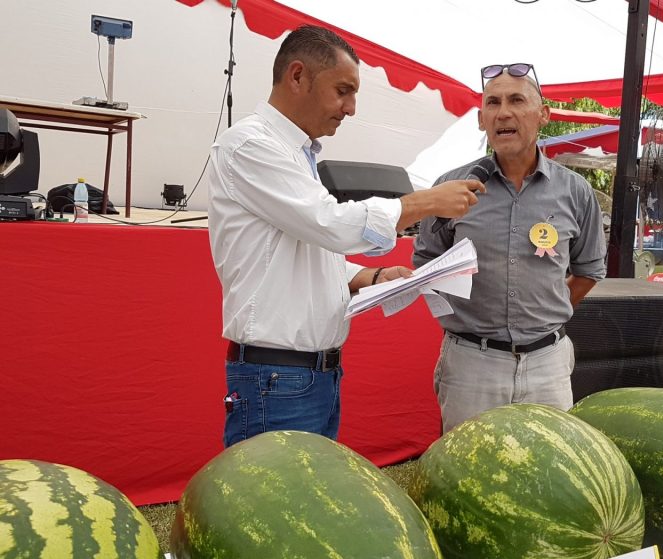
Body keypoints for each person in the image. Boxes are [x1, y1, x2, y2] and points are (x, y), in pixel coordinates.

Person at [208, 25, 485, 447]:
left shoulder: (297, 154)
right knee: (275, 505)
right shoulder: (250, 145)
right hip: (277, 377)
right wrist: (423, 202)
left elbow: (308, 249)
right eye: (343, 90)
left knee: (308, 502)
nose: (351, 108)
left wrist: (369, 278)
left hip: (308, 374)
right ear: (297, 76)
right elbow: (329, 224)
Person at [413, 63, 606, 433]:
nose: (504, 112)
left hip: (547, 363)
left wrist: (545, 310)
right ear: (482, 120)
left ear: (543, 115)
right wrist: (464, 319)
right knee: (466, 472)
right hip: (470, 364)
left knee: (551, 472)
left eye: (517, 100)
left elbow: (588, 270)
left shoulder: (575, 191)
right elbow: (425, 262)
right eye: (493, 102)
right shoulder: (450, 187)